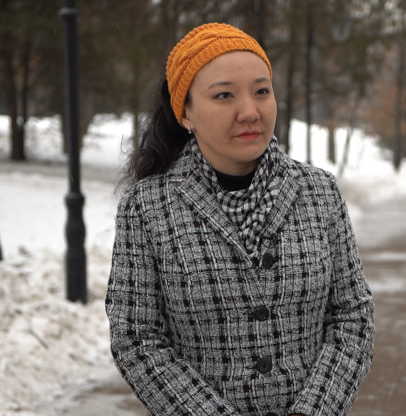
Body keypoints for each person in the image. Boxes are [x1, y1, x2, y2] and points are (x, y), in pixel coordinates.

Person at [105, 23, 374, 416]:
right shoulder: (147, 207)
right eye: (224, 95)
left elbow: (352, 316)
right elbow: (137, 339)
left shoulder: (319, 191)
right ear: (186, 112)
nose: (250, 112)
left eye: (261, 91)